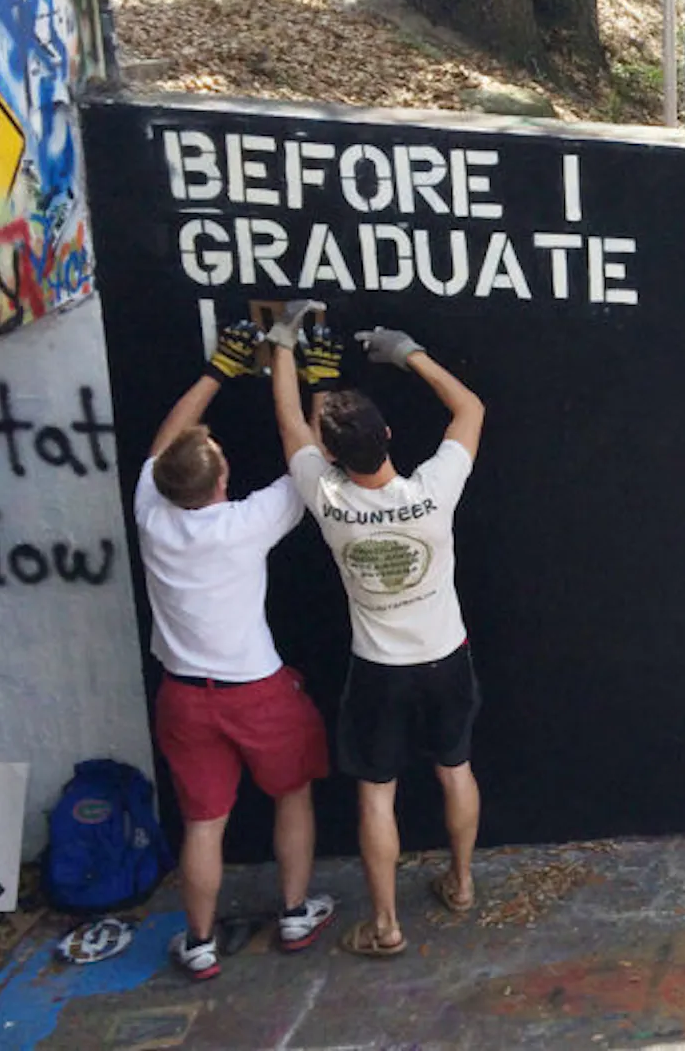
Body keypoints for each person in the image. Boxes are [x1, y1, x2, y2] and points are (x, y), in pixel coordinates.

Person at [269, 315, 485, 959]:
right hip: (447, 658)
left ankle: (386, 925)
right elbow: (469, 407)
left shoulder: (327, 499)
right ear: (389, 436)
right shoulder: (435, 490)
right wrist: (410, 353)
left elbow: (289, 422)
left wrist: (283, 343)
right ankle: (464, 883)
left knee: (376, 795)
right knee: (456, 770)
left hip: (379, 672)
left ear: (329, 455)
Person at [135, 317, 336, 981]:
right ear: (221, 478)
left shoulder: (152, 510)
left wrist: (219, 367)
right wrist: (306, 373)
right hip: (258, 691)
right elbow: (308, 458)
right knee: (293, 793)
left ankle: (198, 943)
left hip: (185, 697)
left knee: (203, 823)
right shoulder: (245, 524)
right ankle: (297, 910)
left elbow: (168, 444)